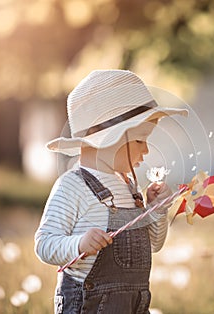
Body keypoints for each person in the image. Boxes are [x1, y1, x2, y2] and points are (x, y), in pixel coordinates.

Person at [34, 69, 188, 314]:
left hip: (134, 305)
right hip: (90, 306)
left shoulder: (128, 186)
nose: (146, 150)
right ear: (108, 139)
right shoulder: (73, 185)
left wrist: (156, 210)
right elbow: (44, 244)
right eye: (140, 140)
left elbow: (154, 245)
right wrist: (78, 244)